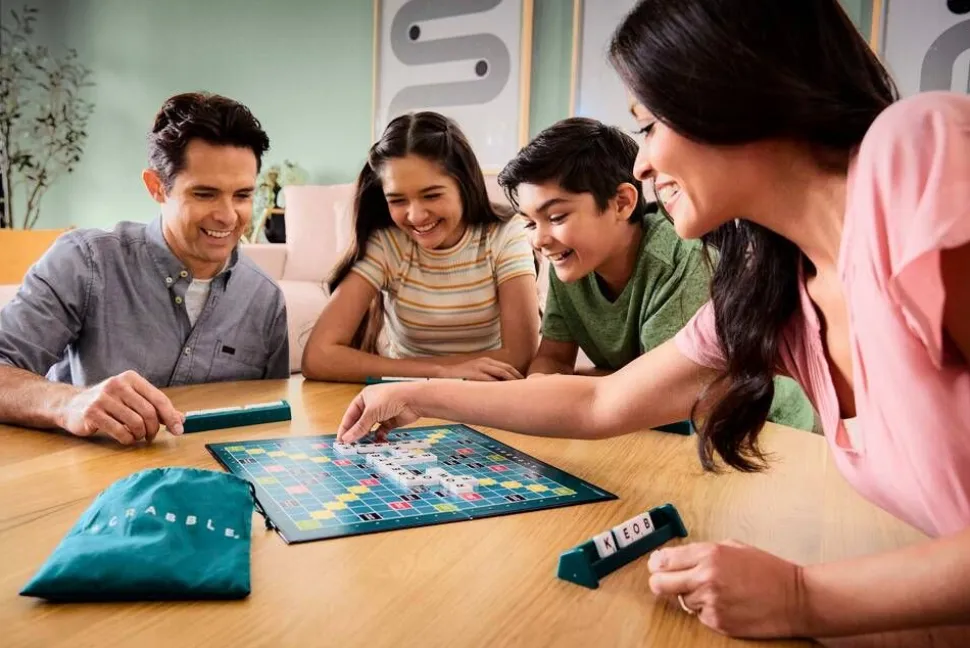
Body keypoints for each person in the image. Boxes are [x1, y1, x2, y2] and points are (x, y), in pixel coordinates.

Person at [335, 1, 970, 644]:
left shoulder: (917, 153)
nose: (640, 165)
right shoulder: (771, 295)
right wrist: (417, 395)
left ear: (733, 91)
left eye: (649, 125)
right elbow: (600, 402)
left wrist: (803, 597)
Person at [0, 91, 289, 446]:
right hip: (88, 474)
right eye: (204, 194)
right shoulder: (84, 261)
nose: (228, 216)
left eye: (242, 195)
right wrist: (70, 402)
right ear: (156, 187)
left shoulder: (265, 299)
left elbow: (271, 420)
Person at [503, 116, 816, 432]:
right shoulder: (571, 262)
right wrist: (542, 384)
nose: (539, 240)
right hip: (648, 418)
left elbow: (664, 398)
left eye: (556, 217)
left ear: (622, 203)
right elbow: (554, 359)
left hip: (759, 425)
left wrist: (571, 387)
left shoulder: (678, 261)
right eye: (529, 222)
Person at [301, 111, 539, 383]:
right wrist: (441, 372)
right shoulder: (388, 244)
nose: (415, 216)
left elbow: (520, 355)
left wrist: (440, 373)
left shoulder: (505, 234)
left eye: (432, 195)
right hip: (408, 390)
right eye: (397, 200)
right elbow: (318, 356)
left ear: (464, 185)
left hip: (487, 389)